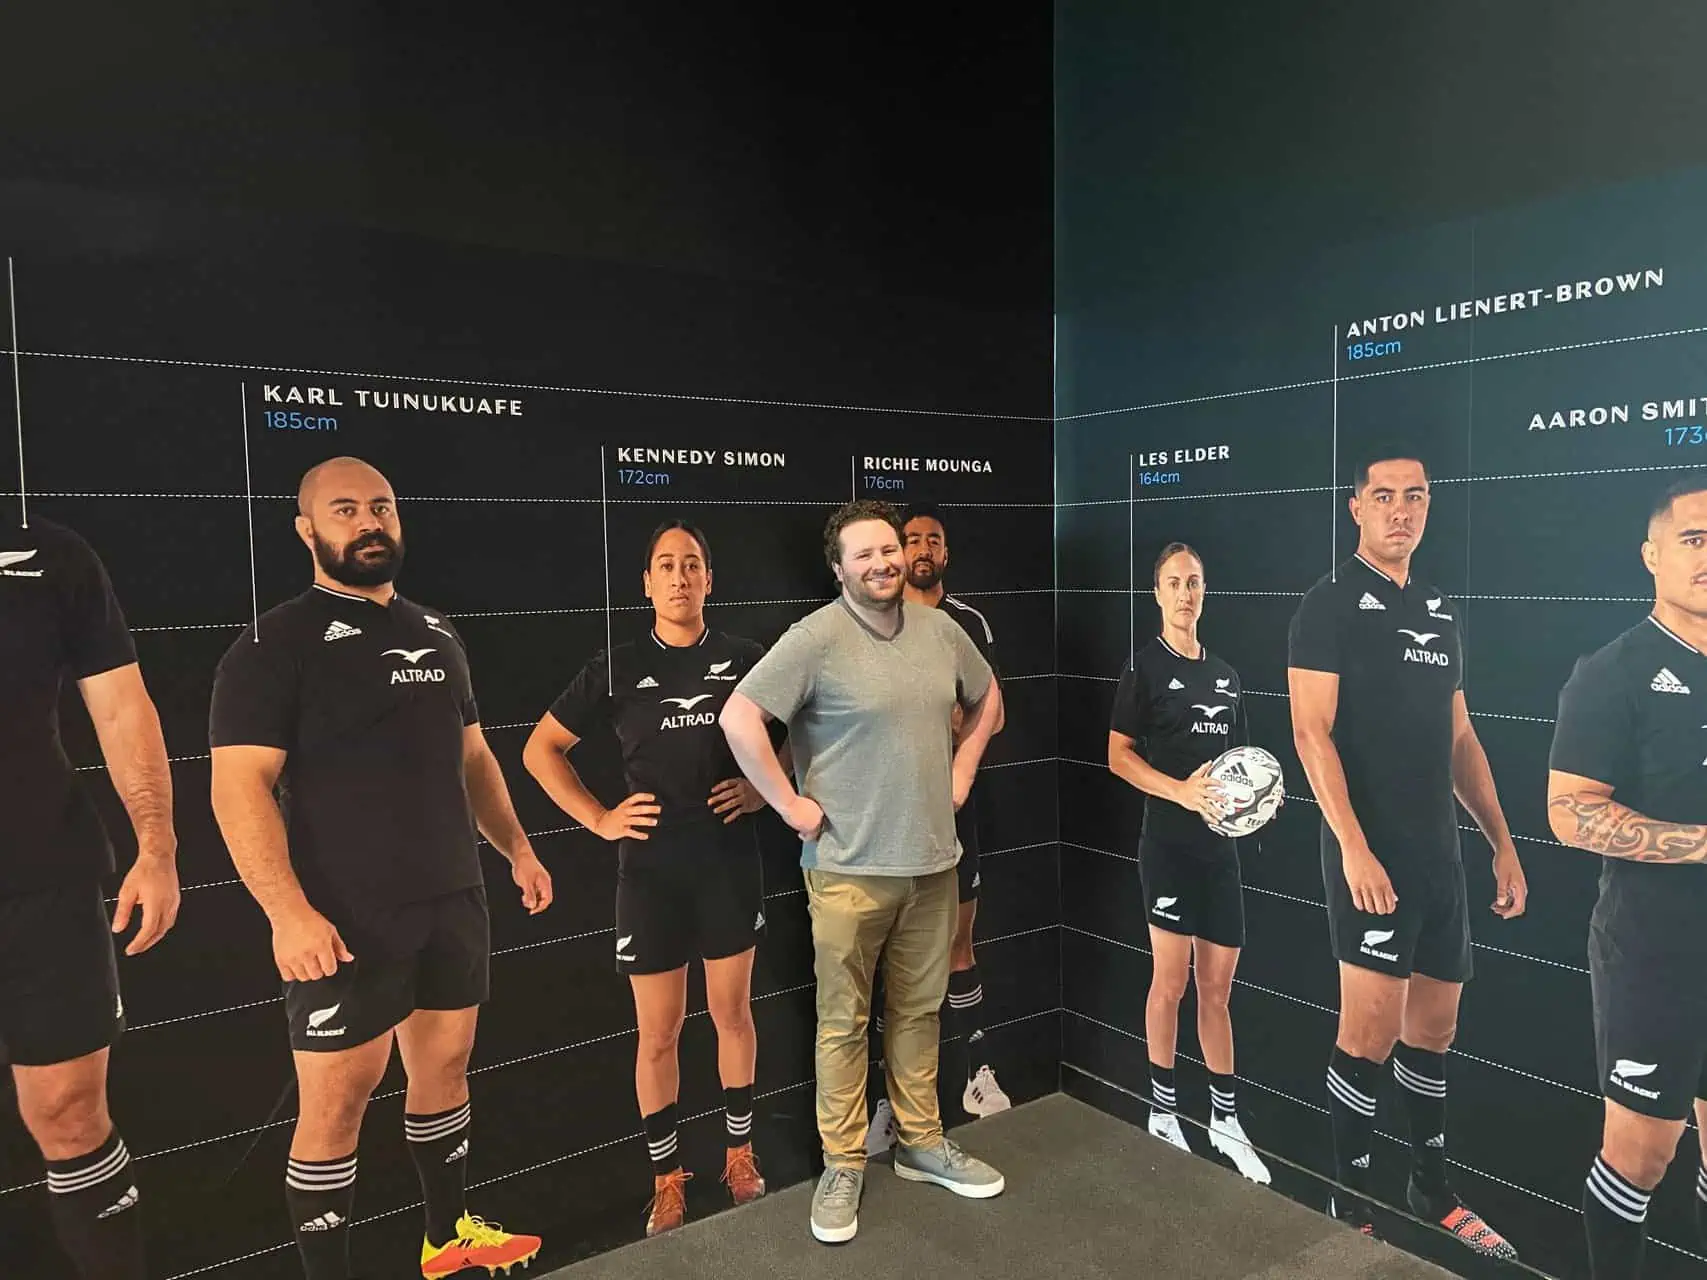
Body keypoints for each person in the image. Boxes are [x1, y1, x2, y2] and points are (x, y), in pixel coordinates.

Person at [208, 457, 548, 1280]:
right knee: (338, 1103)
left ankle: (445, 1240)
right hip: (345, 914)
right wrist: (288, 913)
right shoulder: (273, 643)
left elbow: (473, 758)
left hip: (450, 897)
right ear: (307, 529)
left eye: (383, 508)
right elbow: (237, 786)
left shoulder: (437, 631)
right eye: (346, 509)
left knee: (445, 1068)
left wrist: (518, 847)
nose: (369, 523)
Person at [719, 498, 1006, 1246]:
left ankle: (919, 1143)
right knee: (843, 1023)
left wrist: (963, 771)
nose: (882, 564)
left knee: (917, 1013)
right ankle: (844, 1164)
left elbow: (988, 701)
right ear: (839, 568)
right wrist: (786, 805)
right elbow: (738, 717)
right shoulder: (814, 639)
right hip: (847, 870)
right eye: (865, 556)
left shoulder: (941, 631)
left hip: (932, 864)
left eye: (889, 550)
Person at [1287, 450, 1526, 1259]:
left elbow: (1459, 737)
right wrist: (1352, 847)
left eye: (1414, 497)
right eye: (1382, 496)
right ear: (1353, 506)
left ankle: (1431, 1189)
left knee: (1434, 1030)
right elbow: (1308, 733)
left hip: (1438, 859)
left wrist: (1501, 842)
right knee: (1369, 1033)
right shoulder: (1326, 607)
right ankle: (1346, 1197)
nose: (1399, 510)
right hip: (1369, 856)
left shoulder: (1439, 609)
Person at [522, 520, 772, 1238]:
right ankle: (666, 1178)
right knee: (657, 1035)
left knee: (731, 1016)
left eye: (692, 564)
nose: (680, 576)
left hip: (727, 865)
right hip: (651, 876)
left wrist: (765, 789)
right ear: (647, 583)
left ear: (709, 579)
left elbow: (804, 731)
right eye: (666, 565)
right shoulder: (618, 664)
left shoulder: (747, 661)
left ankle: (738, 1155)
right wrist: (599, 818)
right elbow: (542, 750)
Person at [0, 513, 180, 1279]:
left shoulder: (47, 554)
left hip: (43, 877)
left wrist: (158, 845)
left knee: (71, 1112)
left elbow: (120, 707)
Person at [1547, 474, 1707, 1279]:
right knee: (1641, 1154)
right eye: (1693, 539)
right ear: (1652, 556)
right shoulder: (1610, 670)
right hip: (1654, 953)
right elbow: (1569, 812)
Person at [1107, 541, 1271, 1184]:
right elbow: (1118, 756)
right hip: (1168, 849)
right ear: (1157, 593)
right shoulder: (1144, 669)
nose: (1185, 593)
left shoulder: (1227, 675)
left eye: (1194, 582)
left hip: (1218, 855)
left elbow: (1247, 765)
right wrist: (1180, 791)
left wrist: (1258, 804)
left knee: (1217, 989)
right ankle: (1164, 1110)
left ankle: (1226, 1121)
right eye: (1174, 582)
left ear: (1205, 591)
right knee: (1169, 982)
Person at [867, 504, 1009, 1144]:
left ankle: (976, 1073)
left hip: (953, 811)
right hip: (885, 816)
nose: (921, 549)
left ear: (945, 554)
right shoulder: (872, 619)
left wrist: (957, 730)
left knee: (956, 947)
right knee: (892, 960)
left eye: (933, 540)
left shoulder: (968, 624)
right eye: (911, 539)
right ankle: (893, 1103)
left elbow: (993, 715)